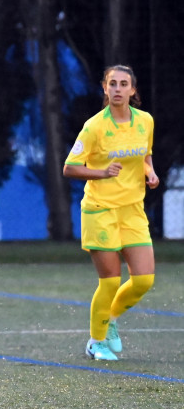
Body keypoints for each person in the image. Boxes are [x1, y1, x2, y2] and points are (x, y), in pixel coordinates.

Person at [63, 65, 159, 361]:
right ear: (105, 89)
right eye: (112, 84)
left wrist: (150, 172)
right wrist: (102, 173)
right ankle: (96, 342)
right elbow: (69, 167)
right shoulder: (94, 126)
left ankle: (111, 319)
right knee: (110, 281)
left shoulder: (145, 121)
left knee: (144, 280)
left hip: (132, 210)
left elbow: (144, 153)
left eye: (124, 84)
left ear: (133, 90)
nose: (118, 89)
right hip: (100, 210)